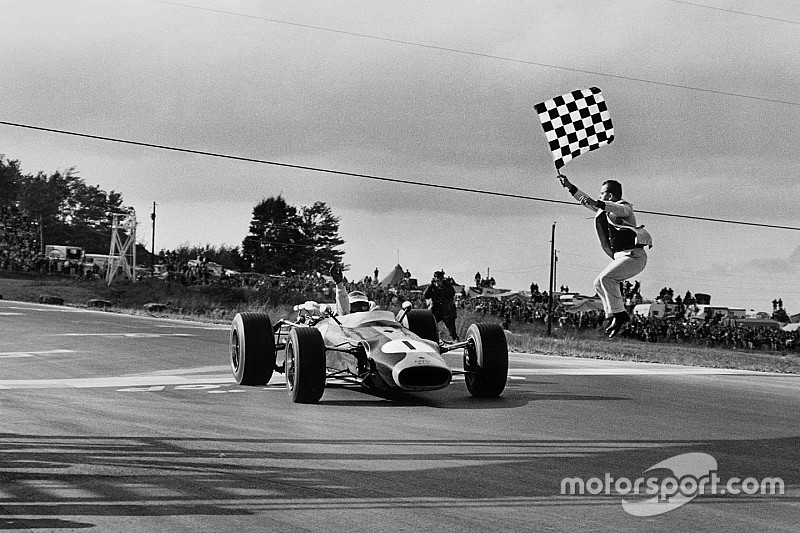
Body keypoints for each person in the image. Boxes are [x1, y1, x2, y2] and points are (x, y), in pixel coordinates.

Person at [557, 173, 652, 338]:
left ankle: (620, 315)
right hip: (621, 256)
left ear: (610, 196)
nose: (599, 196)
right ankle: (611, 315)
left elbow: (619, 209)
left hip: (634, 257)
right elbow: (585, 200)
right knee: (598, 283)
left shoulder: (625, 207)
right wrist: (569, 186)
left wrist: (598, 203)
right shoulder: (603, 209)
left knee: (607, 279)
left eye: (602, 193)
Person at [423, 270, 459, 341]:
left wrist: (442, 288)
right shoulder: (432, 286)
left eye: (440, 279)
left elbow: (451, 294)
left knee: (452, 330)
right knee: (430, 326)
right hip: (436, 310)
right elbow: (426, 295)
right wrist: (431, 286)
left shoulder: (447, 285)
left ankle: (456, 341)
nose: (439, 280)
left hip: (447, 311)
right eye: (437, 279)